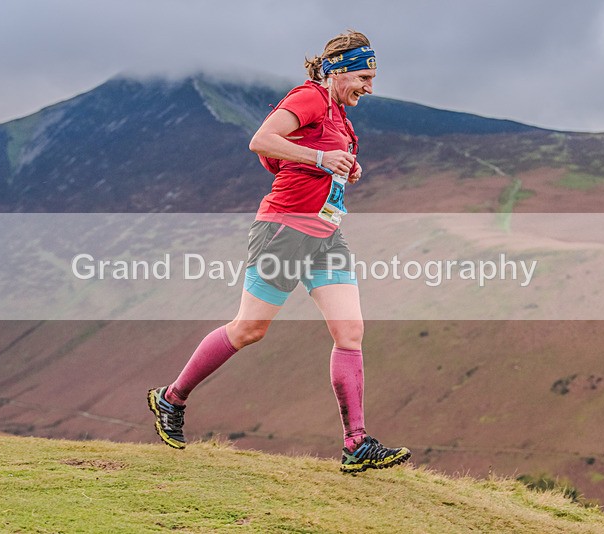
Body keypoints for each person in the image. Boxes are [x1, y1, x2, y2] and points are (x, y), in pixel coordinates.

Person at [148, 30, 410, 473]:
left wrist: (343, 168)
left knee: (350, 333)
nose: (369, 87)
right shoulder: (309, 97)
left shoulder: (340, 118)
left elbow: (299, 158)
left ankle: (356, 444)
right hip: (284, 229)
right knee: (249, 329)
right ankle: (171, 398)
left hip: (327, 235)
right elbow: (262, 141)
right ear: (338, 71)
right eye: (364, 77)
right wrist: (322, 160)